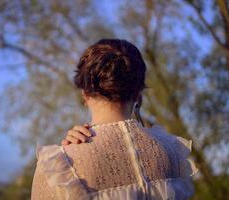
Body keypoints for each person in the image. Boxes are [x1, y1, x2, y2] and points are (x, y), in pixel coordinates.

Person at [31, 38, 199, 200]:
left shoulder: (58, 168)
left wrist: (67, 155)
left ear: (85, 93)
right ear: (138, 94)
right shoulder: (174, 153)